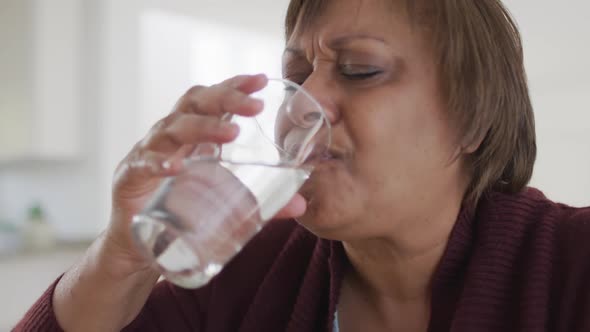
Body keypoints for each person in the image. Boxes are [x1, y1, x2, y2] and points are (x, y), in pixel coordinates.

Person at [14, 0, 590, 331]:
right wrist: (122, 258)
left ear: (473, 120)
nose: (302, 106)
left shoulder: (573, 266)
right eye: (296, 76)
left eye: (360, 68)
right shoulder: (244, 276)